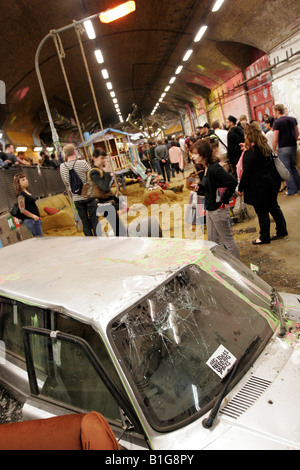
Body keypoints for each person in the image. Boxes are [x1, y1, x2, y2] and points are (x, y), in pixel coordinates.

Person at [238, 123, 288, 245]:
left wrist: (241, 188)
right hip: (272, 182)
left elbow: (247, 173)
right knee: (274, 206)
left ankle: (264, 237)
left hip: (258, 186)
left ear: (248, 136)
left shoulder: (251, 153)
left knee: (262, 211)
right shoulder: (265, 147)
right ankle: (282, 230)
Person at [191, 140, 240, 258]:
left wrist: (223, 200)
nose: (192, 156)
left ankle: (237, 267)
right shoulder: (206, 168)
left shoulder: (214, 168)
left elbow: (232, 182)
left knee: (227, 239)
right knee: (212, 240)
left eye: (195, 154)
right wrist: (199, 188)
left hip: (218, 210)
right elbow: (210, 188)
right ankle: (223, 264)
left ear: (204, 154)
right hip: (210, 209)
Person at [60, 144, 99, 236]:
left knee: (84, 221)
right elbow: (92, 176)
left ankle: (89, 240)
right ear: (74, 152)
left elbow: (65, 182)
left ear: (65, 154)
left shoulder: (62, 166)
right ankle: (98, 240)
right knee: (94, 219)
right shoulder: (82, 163)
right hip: (88, 195)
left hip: (76, 198)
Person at [89, 148, 127, 236]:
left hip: (108, 204)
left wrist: (120, 201)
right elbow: (105, 188)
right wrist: (106, 172)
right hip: (103, 205)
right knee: (120, 230)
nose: (104, 161)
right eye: (102, 158)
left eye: (104, 158)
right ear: (94, 158)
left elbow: (108, 192)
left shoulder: (100, 170)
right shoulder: (94, 172)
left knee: (119, 229)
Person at [272, 104, 300, 196]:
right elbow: (297, 132)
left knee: (287, 170)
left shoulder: (277, 123)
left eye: (274, 112)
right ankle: (298, 187)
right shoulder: (292, 119)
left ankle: (292, 190)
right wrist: (294, 141)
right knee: (293, 167)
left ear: (277, 111)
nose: (273, 114)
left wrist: (273, 148)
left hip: (283, 147)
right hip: (293, 146)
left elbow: (275, 137)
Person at [13, 172, 43, 237]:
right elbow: (22, 209)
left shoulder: (26, 191)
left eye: (26, 179)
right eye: (23, 180)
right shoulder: (20, 194)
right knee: (40, 240)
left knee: (40, 239)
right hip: (31, 220)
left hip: (35, 220)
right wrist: (34, 216)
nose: (26, 181)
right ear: (18, 183)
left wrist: (38, 216)